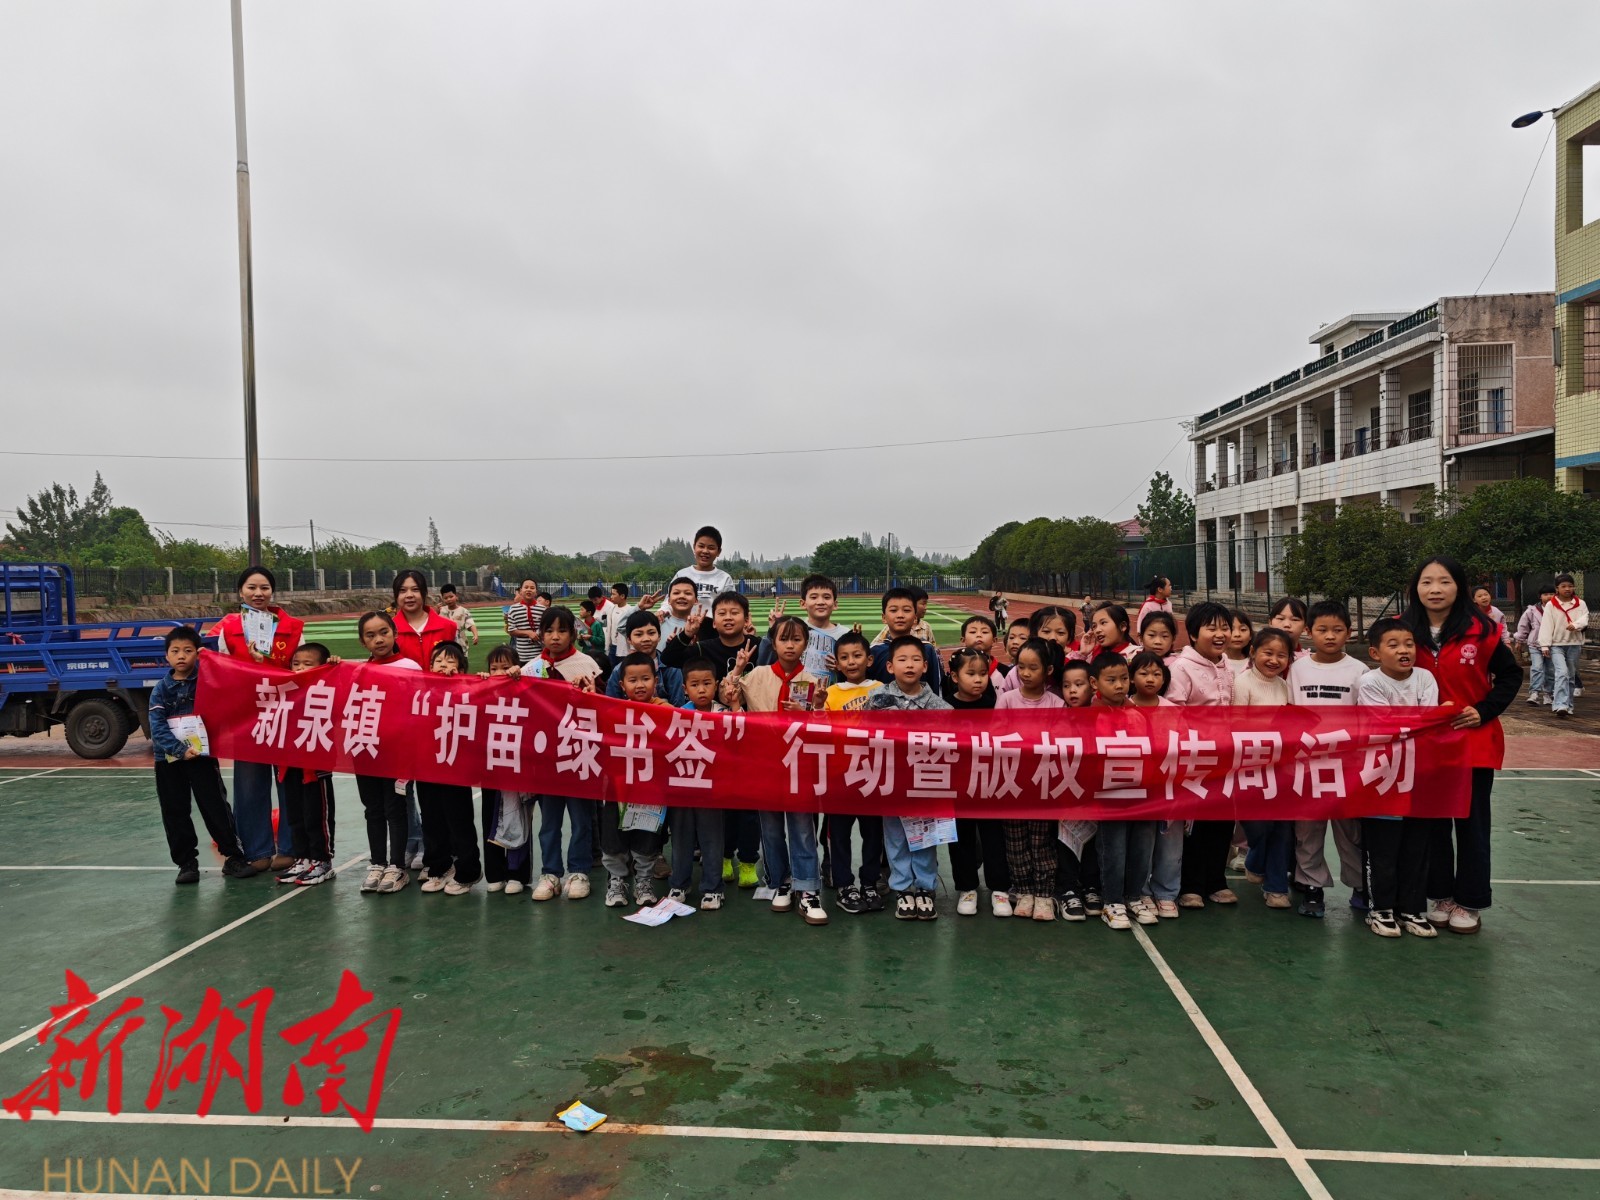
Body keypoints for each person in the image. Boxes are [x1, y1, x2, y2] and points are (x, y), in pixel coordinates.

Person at [1407, 556, 1521, 935]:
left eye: (1444, 581)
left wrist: (1484, 710)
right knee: (1434, 824)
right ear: (1415, 588)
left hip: (1473, 743)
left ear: (1459, 587)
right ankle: (1441, 896)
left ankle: (1470, 901)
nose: (1435, 589)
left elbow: (1510, 675)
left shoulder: (1483, 631)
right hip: (1425, 745)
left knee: (1472, 824)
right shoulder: (1402, 629)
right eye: (1427, 582)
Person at [725, 616, 828, 924]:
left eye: (797, 639)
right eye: (784, 639)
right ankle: (780, 881)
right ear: (773, 642)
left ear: (806, 643)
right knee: (769, 829)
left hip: (798, 768)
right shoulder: (757, 675)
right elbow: (728, 696)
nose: (790, 645)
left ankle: (807, 888)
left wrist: (814, 710)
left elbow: (824, 732)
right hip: (765, 766)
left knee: (802, 828)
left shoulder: (814, 681)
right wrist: (737, 670)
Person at [661, 590, 765, 889]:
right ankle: (723, 857)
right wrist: (687, 633)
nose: (728, 618)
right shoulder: (703, 648)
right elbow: (668, 658)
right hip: (710, 743)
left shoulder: (760, 646)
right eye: (722, 613)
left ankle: (749, 860)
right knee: (721, 805)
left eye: (735, 612)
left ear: (746, 618)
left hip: (750, 736)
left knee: (749, 805)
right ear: (714, 621)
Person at [148, 626, 258, 886]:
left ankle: (233, 856)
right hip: (169, 761)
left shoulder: (208, 681)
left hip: (202, 757)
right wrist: (179, 750)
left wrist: (238, 662)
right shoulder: (160, 689)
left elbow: (232, 692)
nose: (181, 656)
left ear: (198, 654)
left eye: (188, 651)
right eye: (175, 651)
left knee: (215, 806)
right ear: (167, 656)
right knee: (175, 811)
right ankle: (187, 864)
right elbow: (157, 727)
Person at [212, 565, 302, 871]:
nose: (258, 593)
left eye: (264, 587)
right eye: (251, 587)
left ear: (272, 591)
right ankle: (256, 850)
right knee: (249, 784)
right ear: (241, 591)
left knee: (288, 781)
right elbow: (220, 671)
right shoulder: (227, 629)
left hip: (284, 713)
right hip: (247, 717)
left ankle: (290, 846)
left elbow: (302, 668)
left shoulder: (292, 628)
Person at [1356, 617, 1441, 939]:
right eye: (1393, 645)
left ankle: (1412, 910)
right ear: (1375, 653)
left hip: (1420, 777)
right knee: (1383, 850)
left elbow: (1430, 720)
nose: (1404, 651)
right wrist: (1416, 723)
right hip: (1382, 778)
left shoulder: (1425, 677)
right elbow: (1385, 726)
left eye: (1408, 644)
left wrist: (1417, 723)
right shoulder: (1370, 682)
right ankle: (1380, 909)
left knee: (1416, 848)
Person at [1286, 600, 1368, 919]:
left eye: (1337, 630)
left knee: (1351, 831)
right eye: (1322, 629)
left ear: (1349, 632)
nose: (1330, 636)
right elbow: (1290, 713)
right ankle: (1311, 886)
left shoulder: (1360, 671)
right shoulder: (1298, 669)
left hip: (1346, 766)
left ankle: (1360, 886)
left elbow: (1367, 719)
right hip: (1307, 765)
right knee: (1307, 830)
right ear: (1309, 631)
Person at [867, 634, 952, 921]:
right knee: (896, 837)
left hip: (926, 782)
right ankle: (902, 888)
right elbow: (864, 734)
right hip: (892, 781)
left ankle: (925, 889)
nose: (910, 665)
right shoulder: (877, 699)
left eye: (916, 659)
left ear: (925, 666)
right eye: (902, 659)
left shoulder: (939, 706)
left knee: (925, 835)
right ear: (890, 666)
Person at [1165, 601, 1236, 913]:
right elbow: (1174, 713)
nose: (1220, 634)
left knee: (1221, 821)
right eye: (1212, 628)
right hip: (1194, 759)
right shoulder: (1181, 668)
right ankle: (1191, 885)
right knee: (1193, 825)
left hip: (1224, 760)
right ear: (1193, 634)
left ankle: (1216, 881)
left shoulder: (1227, 665)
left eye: (1225, 628)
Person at [996, 636, 1066, 922]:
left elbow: (1061, 742)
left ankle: (1044, 893)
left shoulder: (1057, 703)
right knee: (1015, 840)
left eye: (1033, 668)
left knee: (1041, 840)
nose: (1025, 673)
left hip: (1043, 784)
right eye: (1020, 666)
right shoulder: (1007, 700)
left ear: (1048, 670)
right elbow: (996, 736)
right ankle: (1023, 890)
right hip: (1012, 782)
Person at [599, 654, 674, 906]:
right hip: (618, 789)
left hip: (652, 790)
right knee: (614, 837)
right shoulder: (614, 712)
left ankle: (643, 880)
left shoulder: (667, 712)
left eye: (646, 678)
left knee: (647, 836)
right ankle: (617, 881)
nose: (640, 685)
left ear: (656, 680)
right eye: (633, 680)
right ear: (622, 685)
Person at [353, 612, 420, 895]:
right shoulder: (357, 671)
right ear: (362, 641)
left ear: (395, 633)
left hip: (397, 753)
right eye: (370, 635)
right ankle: (377, 863)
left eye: (384, 632)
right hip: (365, 750)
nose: (378, 639)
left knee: (395, 809)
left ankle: (397, 866)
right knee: (373, 810)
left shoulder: (410, 667)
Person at [1090, 651, 1157, 932]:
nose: (1120, 685)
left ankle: (1133, 896)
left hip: (1141, 793)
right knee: (1113, 848)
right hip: (1110, 795)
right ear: (1094, 683)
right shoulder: (1090, 715)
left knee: (1142, 846)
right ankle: (1112, 901)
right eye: (1111, 680)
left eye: (1124, 678)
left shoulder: (1138, 714)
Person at [822, 631, 887, 914]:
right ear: (836, 663)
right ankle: (844, 884)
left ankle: (870, 882)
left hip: (873, 775)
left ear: (869, 660)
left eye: (857, 656)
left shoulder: (882, 689)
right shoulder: (830, 694)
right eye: (844, 657)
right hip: (840, 776)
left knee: (873, 833)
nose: (851, 662)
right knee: (838, 834)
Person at [945, 647, 1010, 917]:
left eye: (983, 673)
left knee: (994, 835)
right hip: (957, 785)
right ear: (954, 677)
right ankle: (967, 887)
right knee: (961, 836)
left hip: (989, 783)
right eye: (970, 674)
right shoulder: (945, 707)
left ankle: (999, 888)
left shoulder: (996, 704)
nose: (978, 679)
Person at [414, 642, 482, 896]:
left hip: (455, 767)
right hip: (426, 766)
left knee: (459, 819)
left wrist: (468, 682)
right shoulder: (421, 692)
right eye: (438, 661)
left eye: (450, 661)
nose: (443, 665)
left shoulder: (467, 692)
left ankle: (469, 870)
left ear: (461, 668)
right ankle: (439, 867)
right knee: (432, 819)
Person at [1235, 628, 1295, 910]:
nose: (1274, 660)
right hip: (1249, 767)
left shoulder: (1284, 686)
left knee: (1281, 827)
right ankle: (1255, 860)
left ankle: (1276, 889)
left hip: (1280, 768)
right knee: (1258, 825)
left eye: (1281, 655)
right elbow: (1235, 726)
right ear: (1253, 652)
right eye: (1268, 653)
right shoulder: (1242, 683)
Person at [665, 659, 728, 910]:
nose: (701, 689)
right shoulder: (677, 715)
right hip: (682, 787)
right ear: (684, 689)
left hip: (711, 790)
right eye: (694, 684)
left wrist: (735, 705)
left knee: (712, 839)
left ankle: (713, 888)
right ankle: (679, 884)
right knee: (681, 838)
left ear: (716, 684)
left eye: (707, 683)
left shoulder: (724, 714)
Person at [275, 642, 338, 886]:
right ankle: (303, 858)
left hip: (315, 765)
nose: (300, 668)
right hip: (289, 762)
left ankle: (322, 860)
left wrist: (333, 668)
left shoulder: (326, 688)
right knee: (295, 814)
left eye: (307, 664)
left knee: (316, 814)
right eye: (296, 663)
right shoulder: (286, 688)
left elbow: (341, 687)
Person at [479, 644, 536, 897]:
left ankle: (517, 874)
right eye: (494, 668)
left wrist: (521, 680)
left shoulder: (526, 690)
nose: (500, 673)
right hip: (490, 769)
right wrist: (479, 685)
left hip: (518, 769)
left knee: (519, 817)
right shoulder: (482, 691)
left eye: (506, 667)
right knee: (490, 819)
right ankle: (495, 873)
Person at [761, 574, 848, 680]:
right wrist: (774, 630)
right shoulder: (794, 629)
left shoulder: (846, 634)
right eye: (814, 597)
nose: (820, 602)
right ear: (803, 603)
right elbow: (765, 662)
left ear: (835, 604)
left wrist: (842, 667)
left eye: (826, 597)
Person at [605, 610, 687, 706]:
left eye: (651, 633)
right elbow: (611, 707)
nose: (646, 639)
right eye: (639, 634)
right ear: (629, 639)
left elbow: (678, 709)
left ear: (659, 636)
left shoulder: (672, 668)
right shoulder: (619, 671)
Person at [868, 588, 942, 693]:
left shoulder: (927, 649)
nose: (900, 615)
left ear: (915, 618)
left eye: (906, 610)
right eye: (893, 610)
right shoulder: (874, 651)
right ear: (884, 617)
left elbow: (935, 688)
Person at [1538, 573, 1589, 719]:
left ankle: (1569, 705)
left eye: (1570, 586)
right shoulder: (1551, 605)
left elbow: (1585, 618)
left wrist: (1576, 625)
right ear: (1557, 588)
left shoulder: (1580, 603)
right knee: (1562, 673)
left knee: (1571, 676)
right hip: (1556, 645)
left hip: (1574, 644)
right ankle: (1560, 704)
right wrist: (1545, 645)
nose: (1567, 589)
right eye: (1563, 586)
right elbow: (1546, 625)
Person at [391, 569, 459, 668]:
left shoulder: (449, 627)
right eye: (402, 590)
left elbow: (459, 665)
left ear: (424, 593)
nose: (409, 595)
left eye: (415, 589)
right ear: (396, 596)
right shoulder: (388, 631)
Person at [1514, 585, 1557, 706]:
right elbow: (1523, 626)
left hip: (1552, 644)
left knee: (1550, 670)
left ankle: (1548, 694)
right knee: (1537, 668)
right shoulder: (1532, 611)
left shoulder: (1558, 610)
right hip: (1535, 644)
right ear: (1540, 597)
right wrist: (1519, 640)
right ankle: (1534, 693)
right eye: (1545, 594)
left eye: (1552, 594)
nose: (1549, 597)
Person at [678, 525, 735, 609]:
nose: (705, 551)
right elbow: (669, 602)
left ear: (718, 551)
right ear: (694, 547)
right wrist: (663, 611)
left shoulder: (725, 579)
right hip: (686, 618)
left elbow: (731, 605)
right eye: (701, 546)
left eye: (711, 548)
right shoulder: (681, 575)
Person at [504, 578, 545, 665]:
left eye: (532, 588)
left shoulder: (542, 609)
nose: (529, 589)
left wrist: (538, 633)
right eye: (526, 587)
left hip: (540, 655)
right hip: (522, 655)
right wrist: (528, 633)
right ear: (521, 591)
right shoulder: (513, 609)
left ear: (536, 592)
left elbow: (546, 628)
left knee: (541, 674)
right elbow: (511, 630)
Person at [436, 584, 479, 658]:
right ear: (442, 599)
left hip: (461, 647)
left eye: (451, 597)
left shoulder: (463, 611)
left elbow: (471, 624)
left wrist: (475, 635)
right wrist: (437, 612)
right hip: (445, 646)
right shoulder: (441, 611)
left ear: (456, 596)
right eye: (446, 598)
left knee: (462, 663)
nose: (449, 599)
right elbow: (434, 623)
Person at [659, 577, 699, 642]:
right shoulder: (658, 622)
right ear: (668, 600)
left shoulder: (700, 627)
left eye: (688, 593)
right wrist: (641, 607)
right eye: (676, 593)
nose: (682, 596)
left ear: (696, 601)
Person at [1226, 609, 1254, 675]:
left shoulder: (1255, 663)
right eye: (1231, 629)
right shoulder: (1214, 661)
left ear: (1250, 635)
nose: (1237, 634)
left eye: (1243, 629)